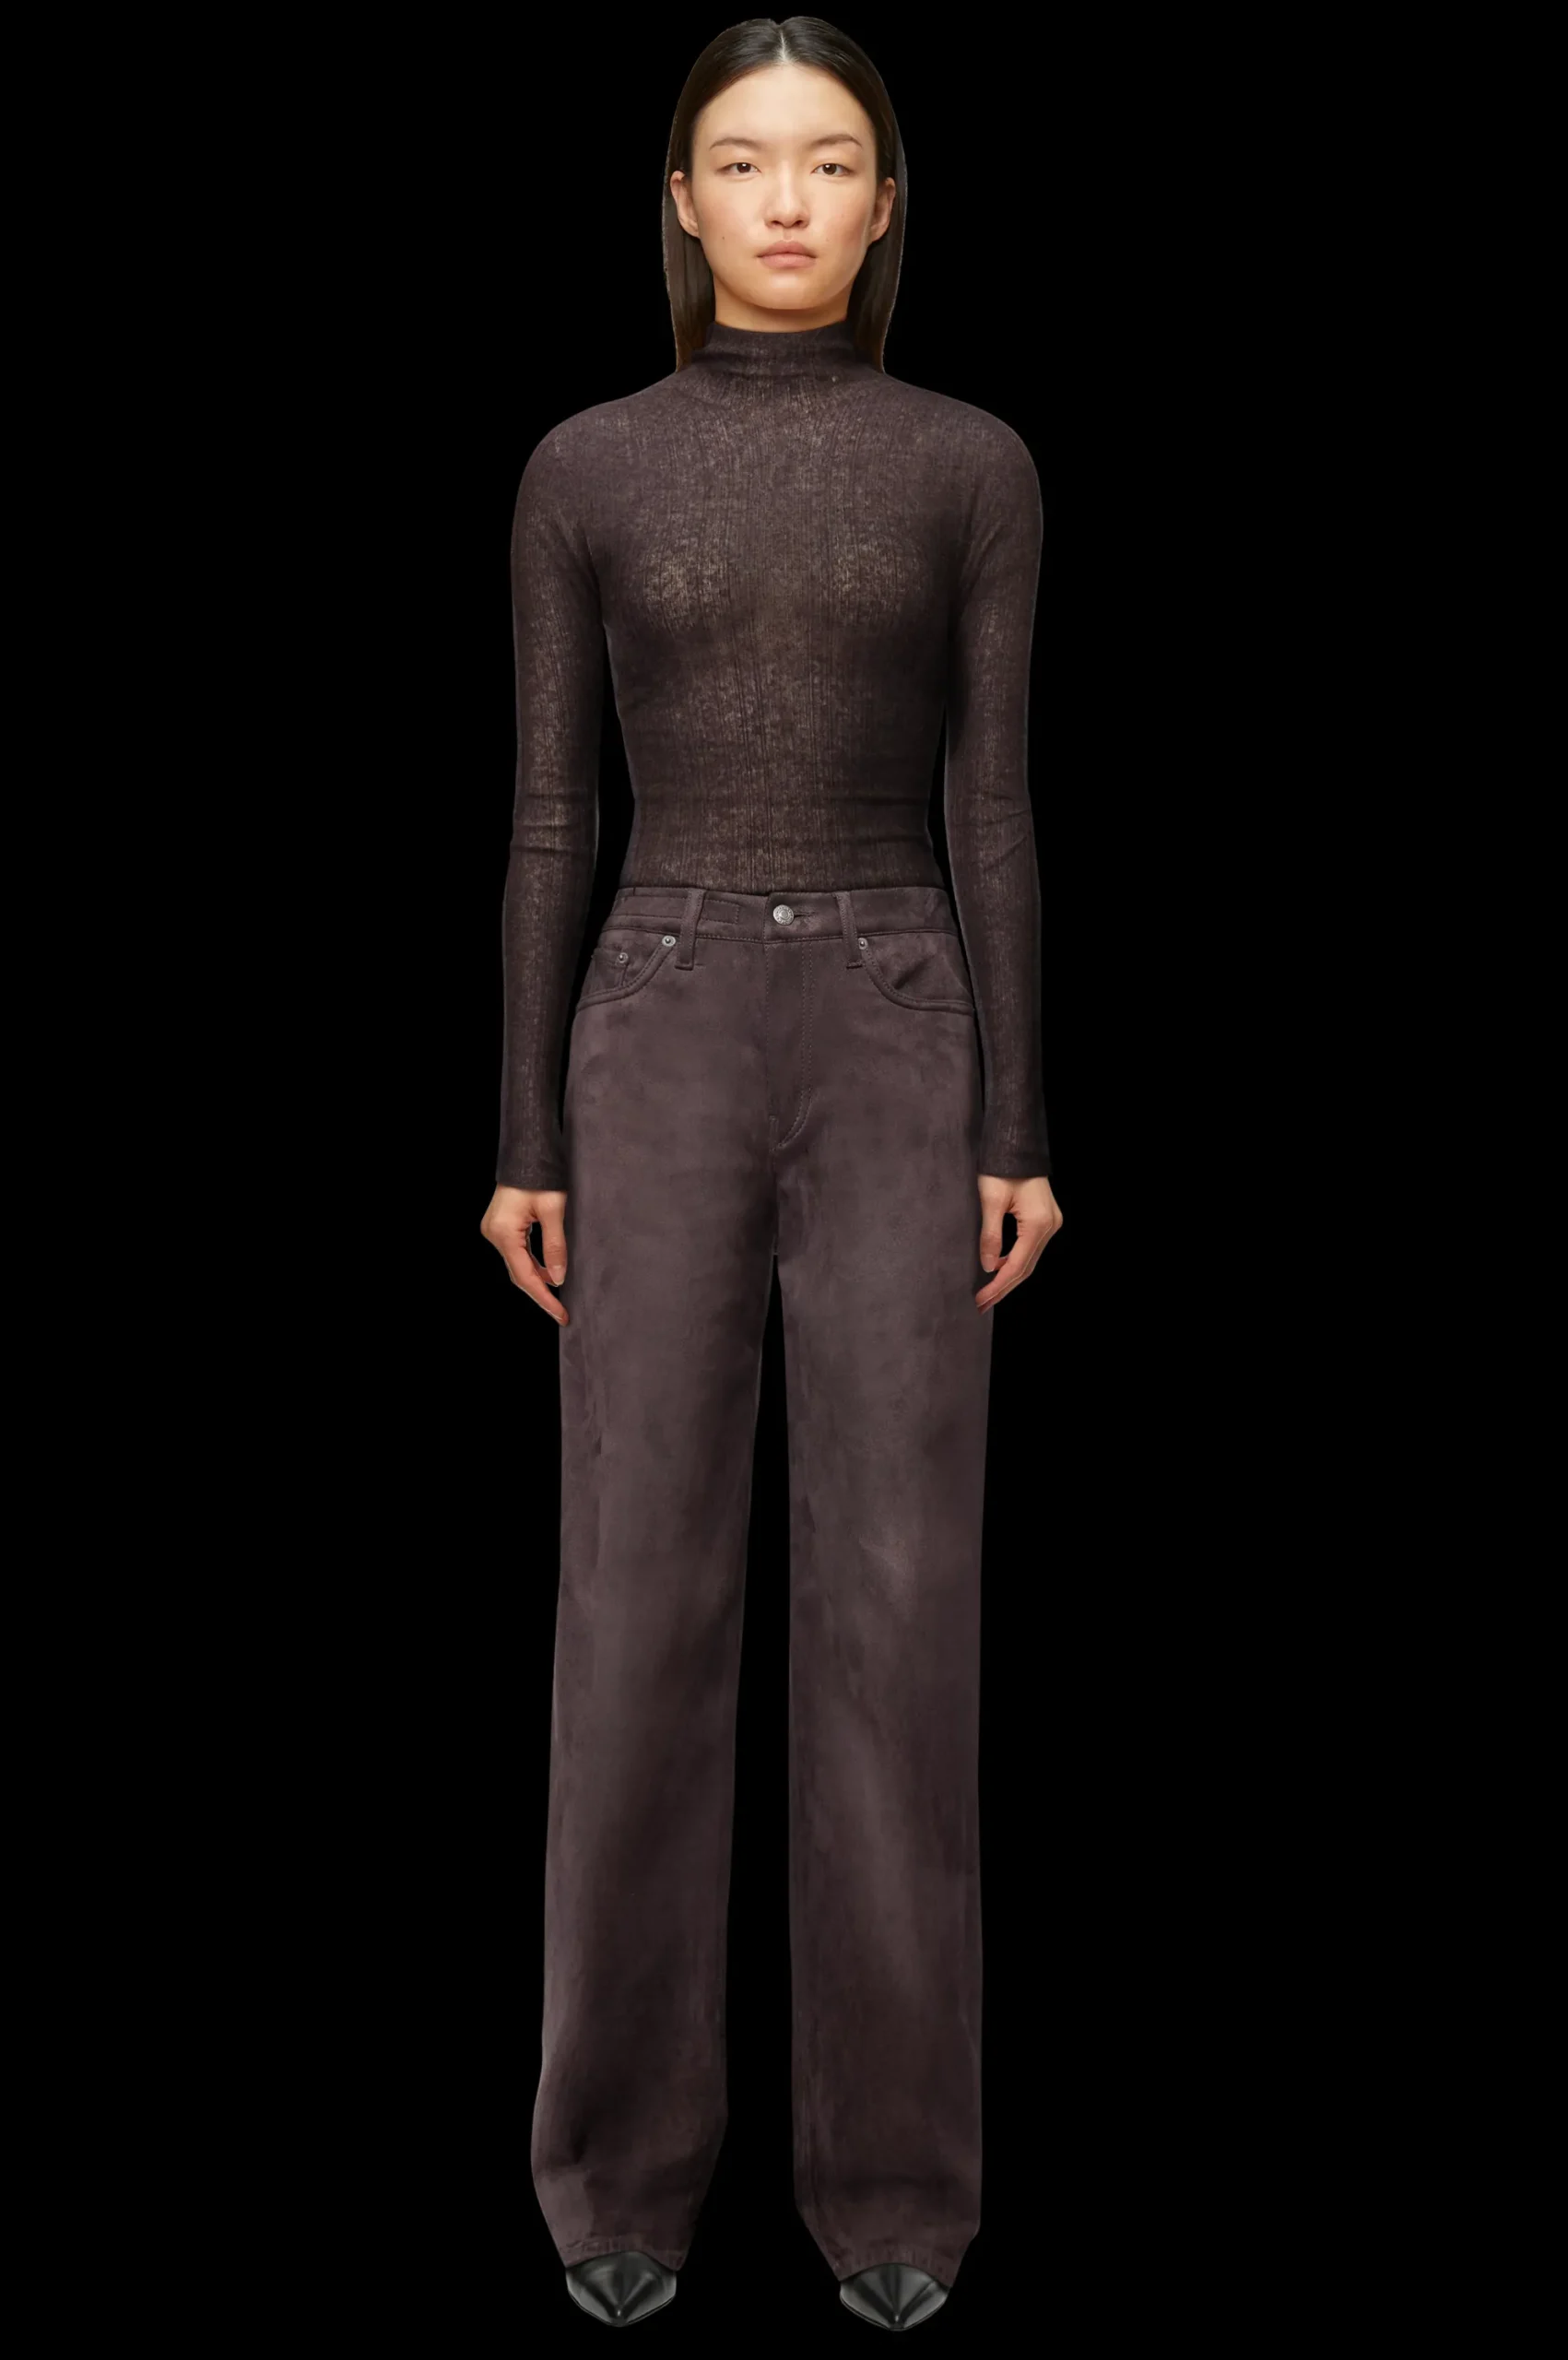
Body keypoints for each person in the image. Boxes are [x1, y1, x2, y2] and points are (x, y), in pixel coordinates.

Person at [480, 16, 1063, 2334]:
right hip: (657, 1011)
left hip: (904, 1011)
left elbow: (993, 804)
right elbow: (549, 814)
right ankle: (614, 2169)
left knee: (903, 1602)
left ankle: (897, 2185)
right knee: (633, 1594)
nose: (790, 201)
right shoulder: (584, 466)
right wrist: (522, 1131)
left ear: (889, 199)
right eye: (744, 161)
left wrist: (1019, 1119)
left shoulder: (972, 464)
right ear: (682, 199)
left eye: (831, 161)